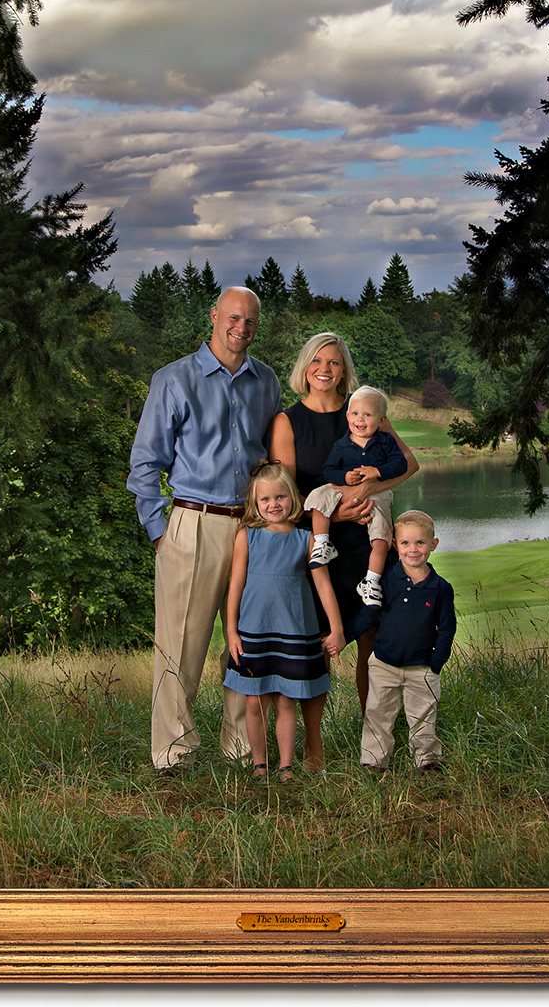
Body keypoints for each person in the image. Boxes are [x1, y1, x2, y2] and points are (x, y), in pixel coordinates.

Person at [126, 287, 282, 773]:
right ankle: (173, 753)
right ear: (215, 316)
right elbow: (145, 466)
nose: (242, 327)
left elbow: (274, 458)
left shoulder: (267, 381)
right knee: (181, 644)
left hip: (253, 528)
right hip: (194, 524)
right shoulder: (174, 379)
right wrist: (160, 532)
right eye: (234, 317)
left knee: (250, 640)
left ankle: (240, 749)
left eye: (251, 321)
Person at [268, 333, 419, 768]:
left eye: (334, 362)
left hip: (370, 545)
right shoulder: (287, 422)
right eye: (317, 360)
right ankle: (313, 747)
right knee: (317, 644)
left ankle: (376, 743)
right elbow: (285, 496)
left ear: (344, 369)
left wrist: (367, 493)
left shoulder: (364, 409)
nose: (325, 369)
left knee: (375, 645)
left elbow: (409, 464)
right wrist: (336, 517)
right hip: (322, 547)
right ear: (305, 366)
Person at [224, 461, 345, 781]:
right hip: (254, 631)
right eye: (265, 499)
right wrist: (231, 630)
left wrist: (337, 629)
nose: (273, 504)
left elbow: (323, 585)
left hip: (293, 631)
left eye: (280, 497)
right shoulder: (246, 536)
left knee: (286, 700)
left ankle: (286, 765)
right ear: (254, 502)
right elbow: (235, 584)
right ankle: (259, 763)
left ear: (292, 498)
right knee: (254, 702)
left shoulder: (305, 539)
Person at [345, 510, 456, 772]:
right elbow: (369, 615)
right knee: (378, 715)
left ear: (433, 544)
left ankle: (426, 761)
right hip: (384, 663)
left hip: (422, 667)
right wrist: (342, 638)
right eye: (405, 543)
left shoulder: (440, 588)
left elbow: (447, 629)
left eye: (420, 543)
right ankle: (375, 762)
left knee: (423, 717)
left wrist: (436, 663)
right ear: (395, 545)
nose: (413, 550)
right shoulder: (385, 580)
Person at [303, 385, 408, 606]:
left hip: (376, 492)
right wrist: (345, 477)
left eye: (368, 415)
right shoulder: (342, 445)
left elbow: (401, 464)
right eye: (355, 414)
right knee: (318, 496)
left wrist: (378, 472)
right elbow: (329, 470)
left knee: (381, 538)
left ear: (381, 420)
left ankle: (371, 581)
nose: (360, 420)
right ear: (348, 416)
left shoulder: (385, 442)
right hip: (342, 489)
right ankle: (323, 543)